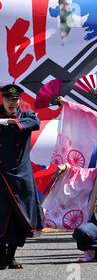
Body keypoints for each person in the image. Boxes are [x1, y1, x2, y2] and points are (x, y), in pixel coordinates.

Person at [0, 84, 43, 269]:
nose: (12, 103)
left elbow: (35, 124)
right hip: (1, 175)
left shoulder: (26, 115)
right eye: (8, 99)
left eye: (15, 99)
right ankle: (2, 256)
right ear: (2, 100)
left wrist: (11, 122)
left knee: (21, 218)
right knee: (1, 216)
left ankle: (11, 256)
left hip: (21, 176)